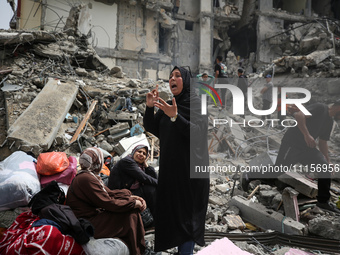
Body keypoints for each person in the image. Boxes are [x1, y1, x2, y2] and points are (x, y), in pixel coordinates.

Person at [143, 66, 210, 254]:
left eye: (178, 76)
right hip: (171, 172)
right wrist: (149, 108)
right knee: (171, 214)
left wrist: (176, 117)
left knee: (188, 218)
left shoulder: (197, 104)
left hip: (191, 175)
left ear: (187, 81)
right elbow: (153, 128)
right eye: (171, 76)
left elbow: (198, 134)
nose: (173, 79)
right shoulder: (170, 105)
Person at [66, 147, 146, 255]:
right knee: (131, 214)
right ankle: (138, 250)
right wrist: (132, 203)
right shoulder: (85, 178)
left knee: (130, 211)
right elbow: (107, 203)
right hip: (88, 223)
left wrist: (132, 198)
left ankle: (138, 248)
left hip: (93, 218)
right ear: (96, 161)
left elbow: (110, 193)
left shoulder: (91, 176)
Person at [275, 101, 340, 213]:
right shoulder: (321, 107)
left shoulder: (329, 122)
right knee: (278, 170)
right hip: (292, 143)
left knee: (324, 167)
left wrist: (328, 161)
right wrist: (307, 134)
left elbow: (323, 142)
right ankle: (249, 175)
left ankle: (323, 202)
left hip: (307, 148)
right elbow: (300, 115)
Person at [107, 145, 158, 217]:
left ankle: (155, 216)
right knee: (151, 190)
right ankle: (155, 217)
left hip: (131, 190)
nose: (141, 154)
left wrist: (146, 165)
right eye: (139, 151)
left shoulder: (139, 166)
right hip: (119, 193)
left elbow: (153, 177)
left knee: (151, 189)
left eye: (144, 154)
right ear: (133, 152)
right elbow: (144, 177)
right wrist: (161, 183)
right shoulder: (127, 161)